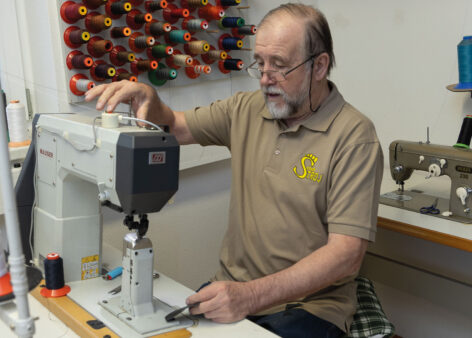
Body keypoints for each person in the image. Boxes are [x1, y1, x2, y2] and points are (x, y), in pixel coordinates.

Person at [85, 3, 383, 337]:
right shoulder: (247, 108)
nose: (266, 78)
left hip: (308, 308)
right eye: (260, 64)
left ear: (319, 66)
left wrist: (251, 295)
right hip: (232, 289)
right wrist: (150, 102)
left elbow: (345, 256)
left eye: (280, 66)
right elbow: (174, 126)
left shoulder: (355, 138)